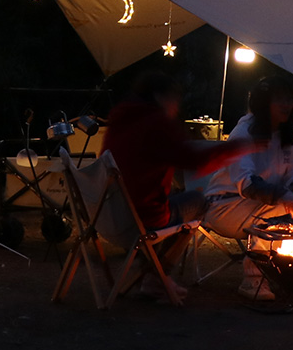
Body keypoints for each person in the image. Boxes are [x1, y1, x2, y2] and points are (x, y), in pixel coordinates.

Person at [102, 70, 252, 302]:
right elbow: (194, 161)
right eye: (175, 99)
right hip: (140, 219)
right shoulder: (156, 122)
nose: (177, 106)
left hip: (108, 216)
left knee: (174, 195)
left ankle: (149, 272)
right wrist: (238, 147)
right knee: (197, 203)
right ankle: (156, 277)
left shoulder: (120, 120)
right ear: (161, 97)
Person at [203, 75, 293, 301]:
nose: (286, 105)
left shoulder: (287, 134)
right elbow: (246, 183)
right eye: (278, 100)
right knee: (280, 212)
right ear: (263, 103)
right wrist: (282, 195)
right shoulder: (244, 133)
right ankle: (254, 279)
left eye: (289, 99)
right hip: (225, 205)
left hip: (261, 204)